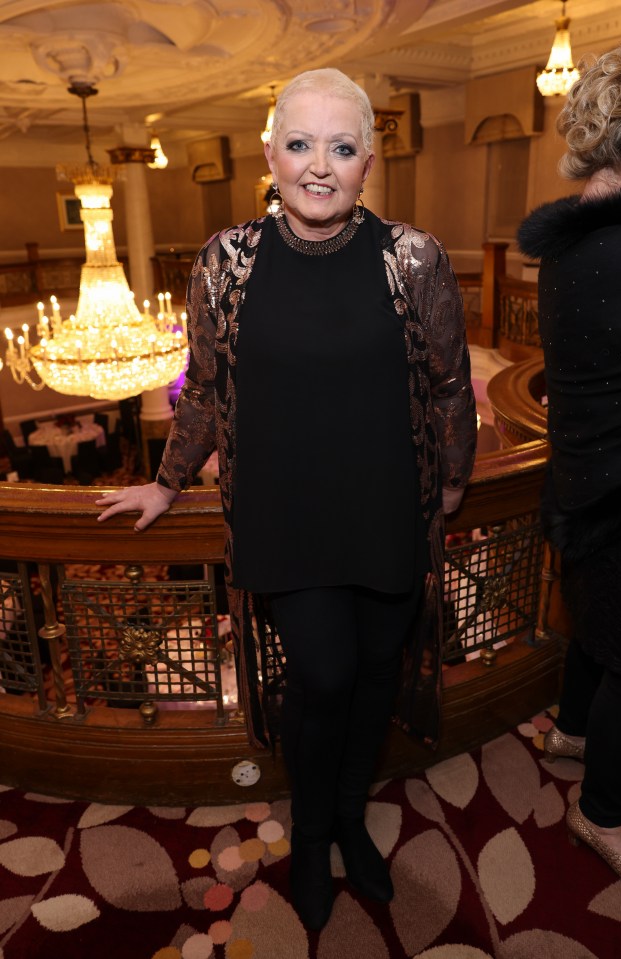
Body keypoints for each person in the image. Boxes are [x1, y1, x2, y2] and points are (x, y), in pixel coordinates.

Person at [97, 68, 477, 928]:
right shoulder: (224, 262)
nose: (318, 166)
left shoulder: (412, 257)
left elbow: (451, 383)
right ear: (268, 154)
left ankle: (350, 813)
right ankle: (312, 834)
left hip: (389, 511)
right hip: (286, 517)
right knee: (326, 673)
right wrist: (167, 481)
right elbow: (202, 389)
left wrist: (454, 478)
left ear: (368, 161)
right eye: (299, 144)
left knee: (376, 674)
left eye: (340, 148)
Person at [517, 40, 621, 890]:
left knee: (598, 623)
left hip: (585, 473)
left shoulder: (571, 243)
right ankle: (601, 814)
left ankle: (568, 729)